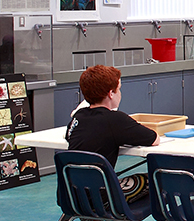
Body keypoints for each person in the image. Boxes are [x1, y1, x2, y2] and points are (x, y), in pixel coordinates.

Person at [65, 65, 160, 206]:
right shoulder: (115, 119)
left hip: (70, 195)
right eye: (119, 89)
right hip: (102, 198)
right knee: (159, 179)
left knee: (96, 181)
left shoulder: (78, 117)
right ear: (111, 94)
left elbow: (70, 136)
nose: (120, 93)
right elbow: (154, 138)